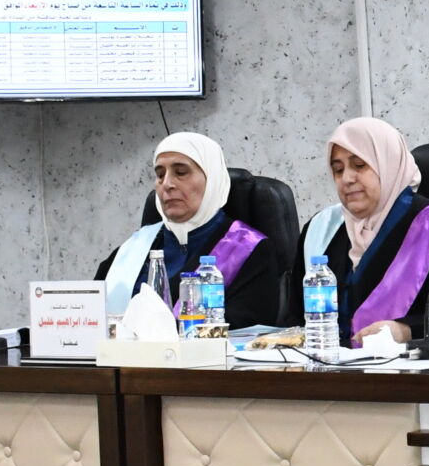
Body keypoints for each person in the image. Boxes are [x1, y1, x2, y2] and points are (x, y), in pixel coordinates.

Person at [301, 118, 429, 348]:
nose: (347, 179)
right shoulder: (323, 230)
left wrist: (407, 330)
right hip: (330, 366)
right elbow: (294, 320)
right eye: (338, 170)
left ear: (388, 164)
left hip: (416, 366)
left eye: (359, 165)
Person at [95, 132, 293, 329]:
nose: (167, 184)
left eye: (181, 172)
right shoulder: (134, 248)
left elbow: (246, 329)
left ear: (212, 179)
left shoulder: (250, 250)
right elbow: (89, 314)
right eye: (160, 175)